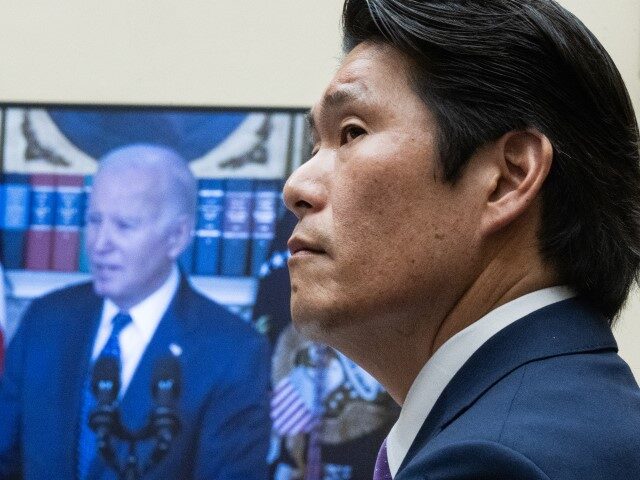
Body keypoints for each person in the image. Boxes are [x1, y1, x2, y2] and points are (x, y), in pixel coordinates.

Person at [283, 0, 640, 479]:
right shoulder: (579, 418)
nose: (296, 188)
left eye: (351, 133)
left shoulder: (492, 463)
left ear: (507, 178)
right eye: (315, 145)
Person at [0, 144, 271, 479]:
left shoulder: (233, 353)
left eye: (124, 225)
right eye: (95, 220)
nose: (100, 244)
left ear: (177, 236)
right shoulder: (44, 321)